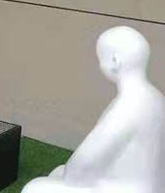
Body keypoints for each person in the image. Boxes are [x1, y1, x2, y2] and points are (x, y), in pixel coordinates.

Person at [23, 26, 165, 193]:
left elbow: (82, 165)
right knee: (58, 172)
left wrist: (70, 178)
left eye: (101, 58)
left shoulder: (128, 106)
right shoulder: (156, 97)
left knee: (33, 188)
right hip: (152, 186)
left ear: (114, 61)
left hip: (125, 189)